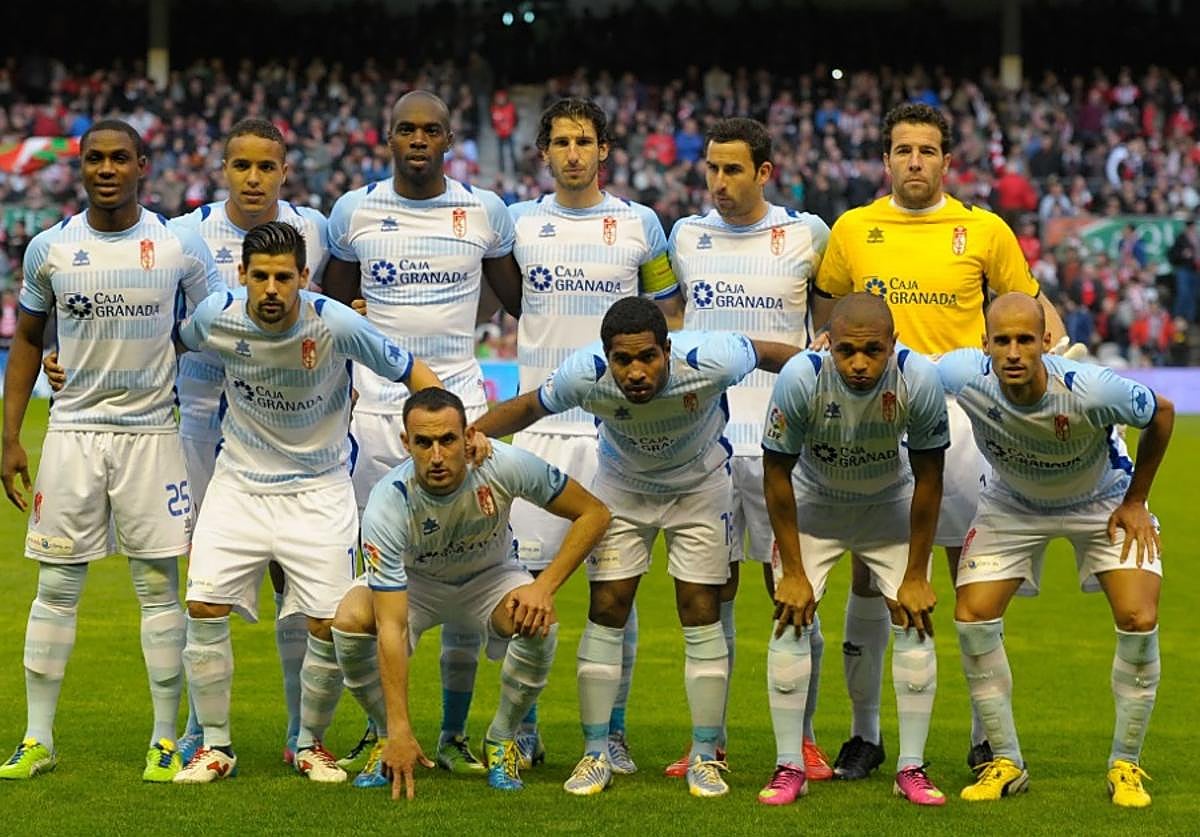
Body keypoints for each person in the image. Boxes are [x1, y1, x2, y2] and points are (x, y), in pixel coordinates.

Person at [40, 118, 332, 766]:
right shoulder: (183, 235)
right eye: (241, 166)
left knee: (296, 580)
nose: (253, 178)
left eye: (266, 167)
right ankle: (201, 728)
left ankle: (301, 732)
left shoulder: (318, 228)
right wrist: (66, 357)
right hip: (198, 424)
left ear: (286, 170)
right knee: (206, 580)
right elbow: (147, 317)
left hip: (286, 425)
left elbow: (335, 310)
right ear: (222, 168)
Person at [811, 102, 1068, 778]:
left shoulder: (983, 230)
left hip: (964, 425)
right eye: (902, 150)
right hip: (877, 416)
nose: (914, 161)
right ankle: (865, 736)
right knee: (872, 575)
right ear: (886, 158)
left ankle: (988, 737)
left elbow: (1036, 312)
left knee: (970, 579)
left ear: (947, 162)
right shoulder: (854, 228)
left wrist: (1067, 371)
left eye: (927, 151)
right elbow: (828, 308)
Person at [473, 296, 800, 798]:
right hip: (623, 488)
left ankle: (705, 756)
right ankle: (595, 753)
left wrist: (820, 367)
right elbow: (529, 405)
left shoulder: (713, 357)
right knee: (607, 607)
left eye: (648, 356)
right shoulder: (585, 374)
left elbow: (773, 354)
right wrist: (469, 433)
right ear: (606, 358)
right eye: (623, 360)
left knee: (700, 609)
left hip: (701, 487)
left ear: (667, 350)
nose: (636, 371)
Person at [169, 221, 440, 783]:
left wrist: (448, 430)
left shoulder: (336, 322)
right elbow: (175, 343)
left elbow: (411, 369)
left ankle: (309, 743)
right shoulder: (216, 315)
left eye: (283, 277)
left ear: (303, 278)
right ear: (242, 275)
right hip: (238, 485)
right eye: (260, 276)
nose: (271, 288)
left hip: (319, 490)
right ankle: (215, 747)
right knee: (203, 607)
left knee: (327, 624)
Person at [0, 120, 221, 782]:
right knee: (57, 583)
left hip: (153, 433)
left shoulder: (177, 244)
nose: (105, 168)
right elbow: (30, 341)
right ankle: (38, 737)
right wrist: (9, 434)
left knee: (157, 587)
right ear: (80, 167)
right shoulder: (50, 248)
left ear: (143, 165)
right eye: (94, 158)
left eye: (119, 158)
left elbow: (214, 328)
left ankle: (161, 739)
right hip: (70, 431)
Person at [322, 90, 523, 775]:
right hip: (375, 416)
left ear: (448, 138)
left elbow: (517, 297)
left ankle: (455, 732)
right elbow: (330, 304)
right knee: (381, 573)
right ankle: (385, 727)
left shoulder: (482, 211)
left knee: (465, 563)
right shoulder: (355, 211)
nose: (417, 140)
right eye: (404, 129)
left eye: (429, 130)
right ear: (388, 138)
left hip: (457, 410)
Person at [940, 293, 1173, 808]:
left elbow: (1161, 412)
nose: (1014, 351)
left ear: (1047, 342)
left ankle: (1125, 764)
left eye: (1026, 339)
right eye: (1002, 341)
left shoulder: (1090, 389)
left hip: (1103, 501)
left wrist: (1136, 501)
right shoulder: (960, 375)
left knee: (1138, 617)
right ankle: (1006, 761)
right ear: (985, 345)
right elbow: (902, 371)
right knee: (972, 616)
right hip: (1012, 503)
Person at [506, 96, 683, 772]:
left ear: (604, 148)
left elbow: (665, 313)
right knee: (525, 587)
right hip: (543, 434)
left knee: (616, 592)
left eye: (584, 141)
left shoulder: (641, 225)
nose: (573, 153)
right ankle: (521, 727)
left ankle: (611, 730)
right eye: (561, 142)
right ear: (544, 152)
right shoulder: (518, 225)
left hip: (618, 436)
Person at [331, 387, 612, 795]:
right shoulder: (386, 504)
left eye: (448, 439)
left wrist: (544, 586)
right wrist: (399, 726)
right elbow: (391, 625)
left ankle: (501, 739)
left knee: (538, 620)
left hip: (490, 578)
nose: (437, 455)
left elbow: (594, 512)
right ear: (406, 443)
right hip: (418, 583)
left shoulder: (503, 463)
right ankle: (384, 737)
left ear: (468, 437)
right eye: (424, 443)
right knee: (350, 619)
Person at [666, 116, 833, 781]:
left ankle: (806, 738)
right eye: (711, 168)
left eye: (733, 169)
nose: (719, 182)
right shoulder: (687, 236)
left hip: (781, 448)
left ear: (764, 172)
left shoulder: (807, 234)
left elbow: (830, 328)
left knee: (791, 589)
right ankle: (710, 741)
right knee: (713, 591)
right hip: (704, 445)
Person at [760, 293, 948, 806]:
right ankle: (788, 766)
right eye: (846, 351)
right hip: (816, 504)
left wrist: (915, 573)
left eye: (873, 351)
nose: (860, 363)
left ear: (894, 344)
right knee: (791, 613)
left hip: (888, 504)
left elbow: (931, 477)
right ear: (827, 343)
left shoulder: (920, 380)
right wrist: (794, 571)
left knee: (913, 616)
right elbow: (775, 472)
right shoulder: (801, 376)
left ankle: (911, 767)